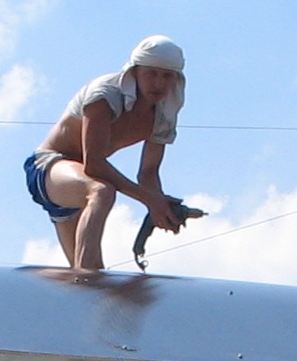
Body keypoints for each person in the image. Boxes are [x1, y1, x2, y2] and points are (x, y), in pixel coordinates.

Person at [25, 35, 187, 271]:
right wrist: (149, 199)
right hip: (49, 168)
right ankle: (85, 276)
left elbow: (148, 172)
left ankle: (87, 281)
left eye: (167, 76)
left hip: (79, 184)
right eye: (151, 74)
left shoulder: (164, 114)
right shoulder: (105, 95)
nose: (158, 83)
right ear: (135, 72)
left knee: (93, 274)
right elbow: (94, 164)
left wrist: (161, 207)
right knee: (101, 191)